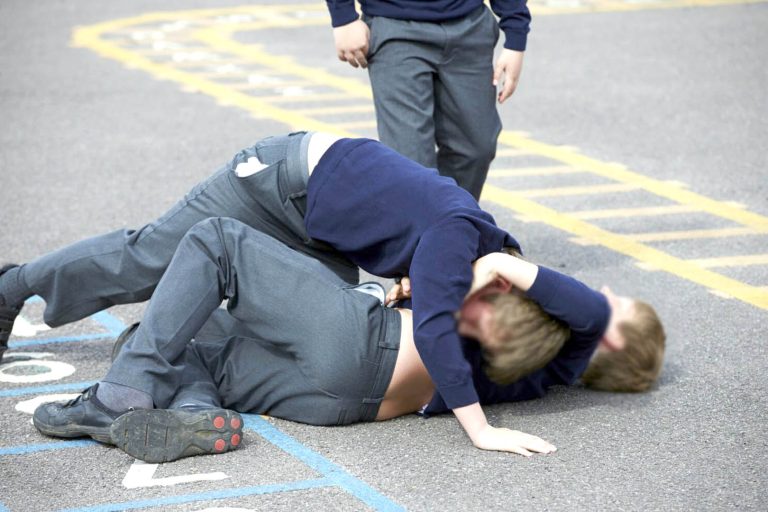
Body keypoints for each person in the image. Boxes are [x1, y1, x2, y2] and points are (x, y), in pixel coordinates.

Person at [0, 130, 642, 453]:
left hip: (328, 251)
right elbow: (547, 316)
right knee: (154, 270)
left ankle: (129, 396)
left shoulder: (490, 280)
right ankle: (20, 289)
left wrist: (479, 428)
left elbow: (454, 321)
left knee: (206, 276)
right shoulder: (478, 262)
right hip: (282, 186)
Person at [32, 225, 664, 462]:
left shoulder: (578, 330)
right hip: (347, 404)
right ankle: (194, 413)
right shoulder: (549, 373)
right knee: (165, 341)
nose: (603, 291)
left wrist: (457, 280)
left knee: (217, 241)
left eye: (615, 305)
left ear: (610, 337)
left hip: (366, 345)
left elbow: (505, 266)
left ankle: (113, 402)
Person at [327, 0, 530, 199]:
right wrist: (344, 17)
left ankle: (450, 215)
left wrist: (515, 34)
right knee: (410, 162)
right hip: (395, 27)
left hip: (470, 26)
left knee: (476, 150)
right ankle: (426, 218)